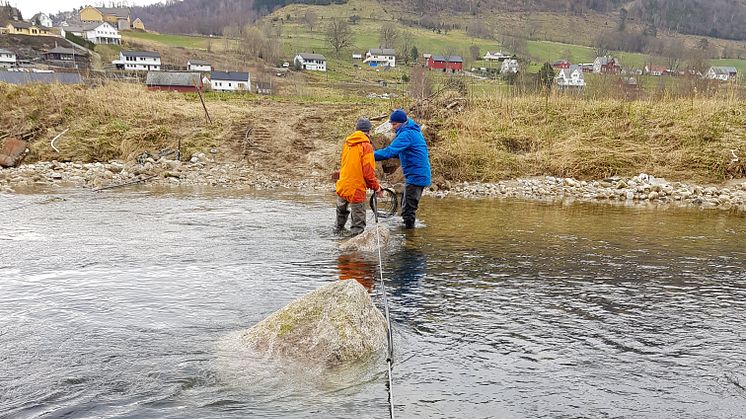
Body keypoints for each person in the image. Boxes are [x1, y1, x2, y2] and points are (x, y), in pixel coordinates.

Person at [374, 109, 431, 229]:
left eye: (394, 124)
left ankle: (409, 238)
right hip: (416, 174)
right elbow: (398, 152)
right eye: (391, 124)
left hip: (416, 176)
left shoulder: (407, 134)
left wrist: (368, 155)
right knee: (405, 205)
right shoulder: (411, 131)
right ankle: (408, 231)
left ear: (402, 122)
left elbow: (390, 151)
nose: (392, 127)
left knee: (408, 210)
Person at [335, 118, 383, 236]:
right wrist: (377, 188)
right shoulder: (366, 146)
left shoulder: (347, 143)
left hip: (342, 185)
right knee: (358, 226)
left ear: (356, 130)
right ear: (369, 131)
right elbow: (368, 173)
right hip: (356, 189)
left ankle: (338, 239)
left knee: (339, 222)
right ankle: (355, 252)